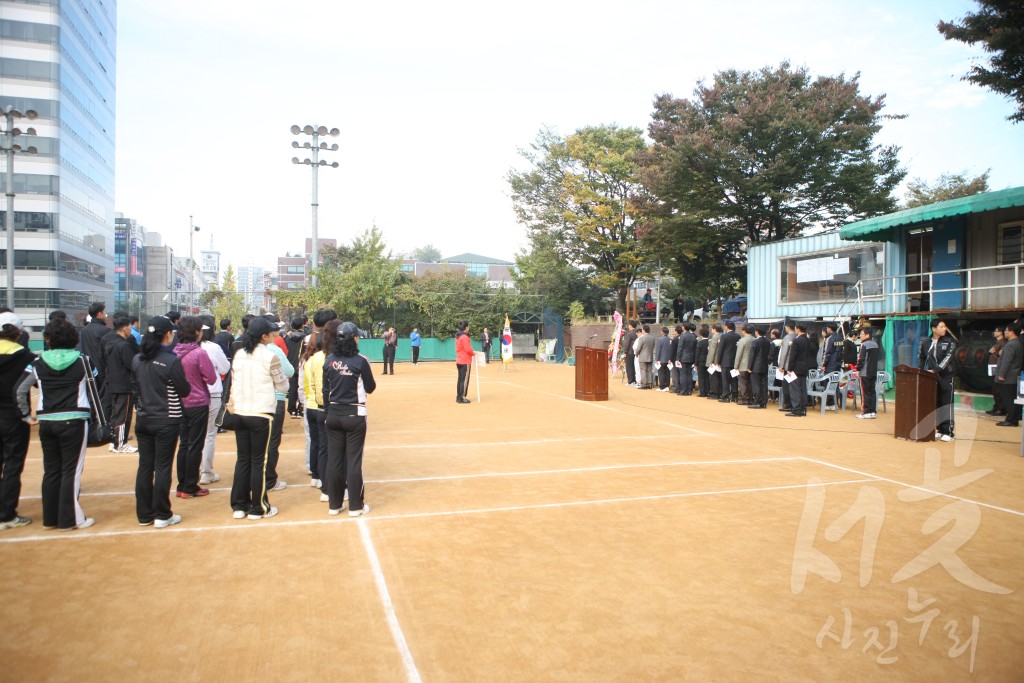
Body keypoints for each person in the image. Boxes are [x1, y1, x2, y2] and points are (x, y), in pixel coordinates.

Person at [15, 319, 95, 530]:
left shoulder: (37, 363)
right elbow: (95, 389)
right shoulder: (83, 361)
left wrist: (26, 415)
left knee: (51, 470)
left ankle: (50, 519)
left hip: (46, 421)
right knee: (71, 471)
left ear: (48, 339)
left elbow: (20, 390)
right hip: (75, 421)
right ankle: (71, 519)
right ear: (73, 338)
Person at [132, 315, 191, 528]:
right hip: (167, 419)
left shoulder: (138, 359)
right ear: (167, 334)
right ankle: (162, 514)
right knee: (163, 466)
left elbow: (136, 385)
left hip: (144, 418)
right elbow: (184, 389)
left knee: (145, 466)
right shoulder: (169, 360)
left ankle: (144, 514)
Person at [229, 316, 289, 520]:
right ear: (264, 336)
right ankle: (258, 506)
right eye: (270, 332)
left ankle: (239, 505)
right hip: (261, 413)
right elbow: (283, 385)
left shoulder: (239, 354)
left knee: (243, 460)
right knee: (259, 461)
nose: (273, 334)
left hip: (240, 412)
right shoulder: (270, 356)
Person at [322, 322, 376, 516]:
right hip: (355, 414)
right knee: (353, 461)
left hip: (334, 415)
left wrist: (328, 413)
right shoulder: (360, 361)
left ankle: (334, 504)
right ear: (354, 338)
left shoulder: (329, 360)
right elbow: (370, 387)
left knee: (335, 460)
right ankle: (355, 505)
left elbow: (325, 389)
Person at [173, 316, 217, 499]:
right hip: (197, 402)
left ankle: (182, 484)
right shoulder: (199, 353)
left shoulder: (174, 352)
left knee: (184, 444)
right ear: (196, 332)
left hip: (179, 402)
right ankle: (190, 486)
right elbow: (212, 378)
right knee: (195, 445)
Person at [0, 312, 35, 528]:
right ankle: (7, 513)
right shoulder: (26, 357)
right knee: (13, 464)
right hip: (14, 416)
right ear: (19, 333)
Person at [261, 315, 294, 491]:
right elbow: (289, 370)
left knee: (257, 443)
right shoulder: (274, 350)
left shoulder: (246, 350)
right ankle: (270, 480)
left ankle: (258, 478)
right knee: (273, 441)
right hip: (275, 399)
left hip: (254, 403)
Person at [304, 320, 337, 499]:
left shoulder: (311, 360)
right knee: (329, 448)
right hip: (326, 408)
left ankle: (317, 476)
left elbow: (308, 386)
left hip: (312, 406)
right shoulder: (331, 359)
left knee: (318, 444)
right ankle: (327, 485)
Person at [199, 316, 230, 485]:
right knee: (209, 435)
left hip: (191, 396)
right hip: (212, 393)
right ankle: (206, 472)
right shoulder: (213, 347)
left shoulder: (186, 347)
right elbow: (225, 367)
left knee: (194, 435)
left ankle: (194, 470)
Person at [102, 315, 139, 453]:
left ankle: (114, 441)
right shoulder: (123, 345)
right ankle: (120, 443)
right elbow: (132, 365)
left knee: (116, 414)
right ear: (124, 328)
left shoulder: (110, 343)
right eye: (129, 327)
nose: (130, 330)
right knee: (124, 415)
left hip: (112, 383)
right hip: (124, 384)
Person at [919, 319, 957, 441]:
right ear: (934, 329)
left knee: (946, 403)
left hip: (946, 376)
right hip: (932, 377)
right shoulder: (926, 342)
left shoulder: (950, 342)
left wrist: (936, 370)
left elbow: (948, 359)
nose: (944, 329)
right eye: (941, 327)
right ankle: (940, 429)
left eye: (945, 327)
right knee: (937, 403)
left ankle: (948, 432)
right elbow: (922, 358)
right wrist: (920, 371)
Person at [994, 322, 1022, 428]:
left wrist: (1001, 374)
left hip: (1007, 377)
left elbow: (1007, 361)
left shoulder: (1011, 344)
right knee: (1013, 398)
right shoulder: (1018, 343)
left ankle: (1010, 419)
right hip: (1013, 376)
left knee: (1008, 399)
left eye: (1006, 330)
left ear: (1011, 332)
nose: (1005, 332)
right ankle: (1014, 419)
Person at [785, 323, 815, 417]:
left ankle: (796, 409)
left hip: (796, 368)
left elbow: (792, 356)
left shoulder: (796, 341)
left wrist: (789, 368)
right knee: (803, 388)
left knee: (795, 389)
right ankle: (803, 409)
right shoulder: (807, 340)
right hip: (805, 367)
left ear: (797, 329)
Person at [856, 327, 880, 419]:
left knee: (865, 392)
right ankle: (872, 412)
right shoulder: (875, 344)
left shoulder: (864, 345)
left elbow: (861, 359)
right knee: (872, 392)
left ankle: (865, 412)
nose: (860, 336)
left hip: (865, 372)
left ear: (867, 335)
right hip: (873, 372)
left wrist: (858, 369)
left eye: (861, 334)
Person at [284, 317, 307, 416]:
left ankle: (291, 409)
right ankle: (301, 408)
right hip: (301, 364)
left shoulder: (288, 338)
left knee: (293, 388)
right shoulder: (305, 337)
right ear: (303, 325)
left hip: (291, 364)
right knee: (302, 386)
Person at [716, 322, 740, 403]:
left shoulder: (724, 336)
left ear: (727, 327)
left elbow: (720, 349)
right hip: (734, 361)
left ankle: (725, 396)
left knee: (725, 380)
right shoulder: (738, 336)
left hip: (725, 361)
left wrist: (718, 361)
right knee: (734, 379)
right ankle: (735, 396)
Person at [987, 326, 1007, 417]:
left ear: (1000, 332)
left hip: (997, 367)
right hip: (992, 367)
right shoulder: (997, 342)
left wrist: (993, 352)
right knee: (994, 388)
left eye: (996, 331)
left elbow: (1001, 355)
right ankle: (997, 406)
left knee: (997, 388)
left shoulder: (1003, 343)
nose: (994, 332)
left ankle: (1001, 408)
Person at [749, 326, 769, 409]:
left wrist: (749, 367)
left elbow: (752, 355)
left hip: (756, 366)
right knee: (764, 384)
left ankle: (757, 401)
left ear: (757, 332)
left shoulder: (755, 342)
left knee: (756, 384)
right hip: (764, 365)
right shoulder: (767, 341)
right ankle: (764, 402)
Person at [455, 320, 474, 403]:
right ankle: (462, 397)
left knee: (460, 380)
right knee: (464, 380)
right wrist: (473, 353)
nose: (469, 328)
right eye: (468, 326)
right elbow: (468, 349)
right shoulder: (464, 337)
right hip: (465, 360)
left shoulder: (457, 336)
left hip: (459, 360)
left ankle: (458, 397)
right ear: (466, 327)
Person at [735, 324, 754, 405]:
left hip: (743, 364)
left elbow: (739, 354)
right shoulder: (754, 339)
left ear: (744, 331)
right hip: (752, 364)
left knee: (743, 382)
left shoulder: (742, 340)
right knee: (750, 382)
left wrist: (736, 366)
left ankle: (745, 399)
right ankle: (750, 398)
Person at [677, 323, 697, 396]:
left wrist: (678, 358)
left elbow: (680, 348)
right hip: (691, 357)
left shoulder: (682, 336)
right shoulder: (693, 336)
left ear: (684, 327)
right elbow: (695, 348)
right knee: (689, 374)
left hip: (683, 357)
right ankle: (689, 390)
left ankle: (683, 390)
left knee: (683, 374)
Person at [636, 324, 655, 390]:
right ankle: (650, 384)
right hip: (650, 355)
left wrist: (636, 354)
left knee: (643, 370)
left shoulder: (642, 338)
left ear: (644, 330)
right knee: (649, 370)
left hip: (643, 356)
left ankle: (644, 384)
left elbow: (638, 348)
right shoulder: (653, 338)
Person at [706, 324, 722, 399]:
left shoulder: (715, 337)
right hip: (720, 360)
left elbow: (712, 351)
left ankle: (714, 393)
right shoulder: (722, 335)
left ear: (714, 329)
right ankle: (719, 392)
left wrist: (709, 362)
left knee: (713, 378)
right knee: (719, 377)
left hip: (714, 361)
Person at [655, 326, 672, 392]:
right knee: (667, 372)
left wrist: (657, 359)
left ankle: (662, 386)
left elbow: (658, 350)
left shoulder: (660, 339)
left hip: (661, 359)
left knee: (661, 373)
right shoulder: (670, 340)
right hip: (668, 359)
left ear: (662, 332)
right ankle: (667, 385)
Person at [695, 325, 710, 397]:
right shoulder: (710, 342)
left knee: (701, 377)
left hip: (701, 361)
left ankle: (702, 392)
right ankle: (707, 391)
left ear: (701, 334)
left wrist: (695, 363)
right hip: (708, 361)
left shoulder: (700, 343)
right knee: (707, 376)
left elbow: (697, 354)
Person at [623, 321, 638, 387]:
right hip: (636, 352)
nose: (628, 326)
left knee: (629, 367)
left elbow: (627, 343)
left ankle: (630, 381)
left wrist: (625, 352)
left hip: (630, 352)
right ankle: (634, 381)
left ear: (631, 326)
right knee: (635, 366)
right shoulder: (637, 332)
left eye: (629, 325)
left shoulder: (629, 334)